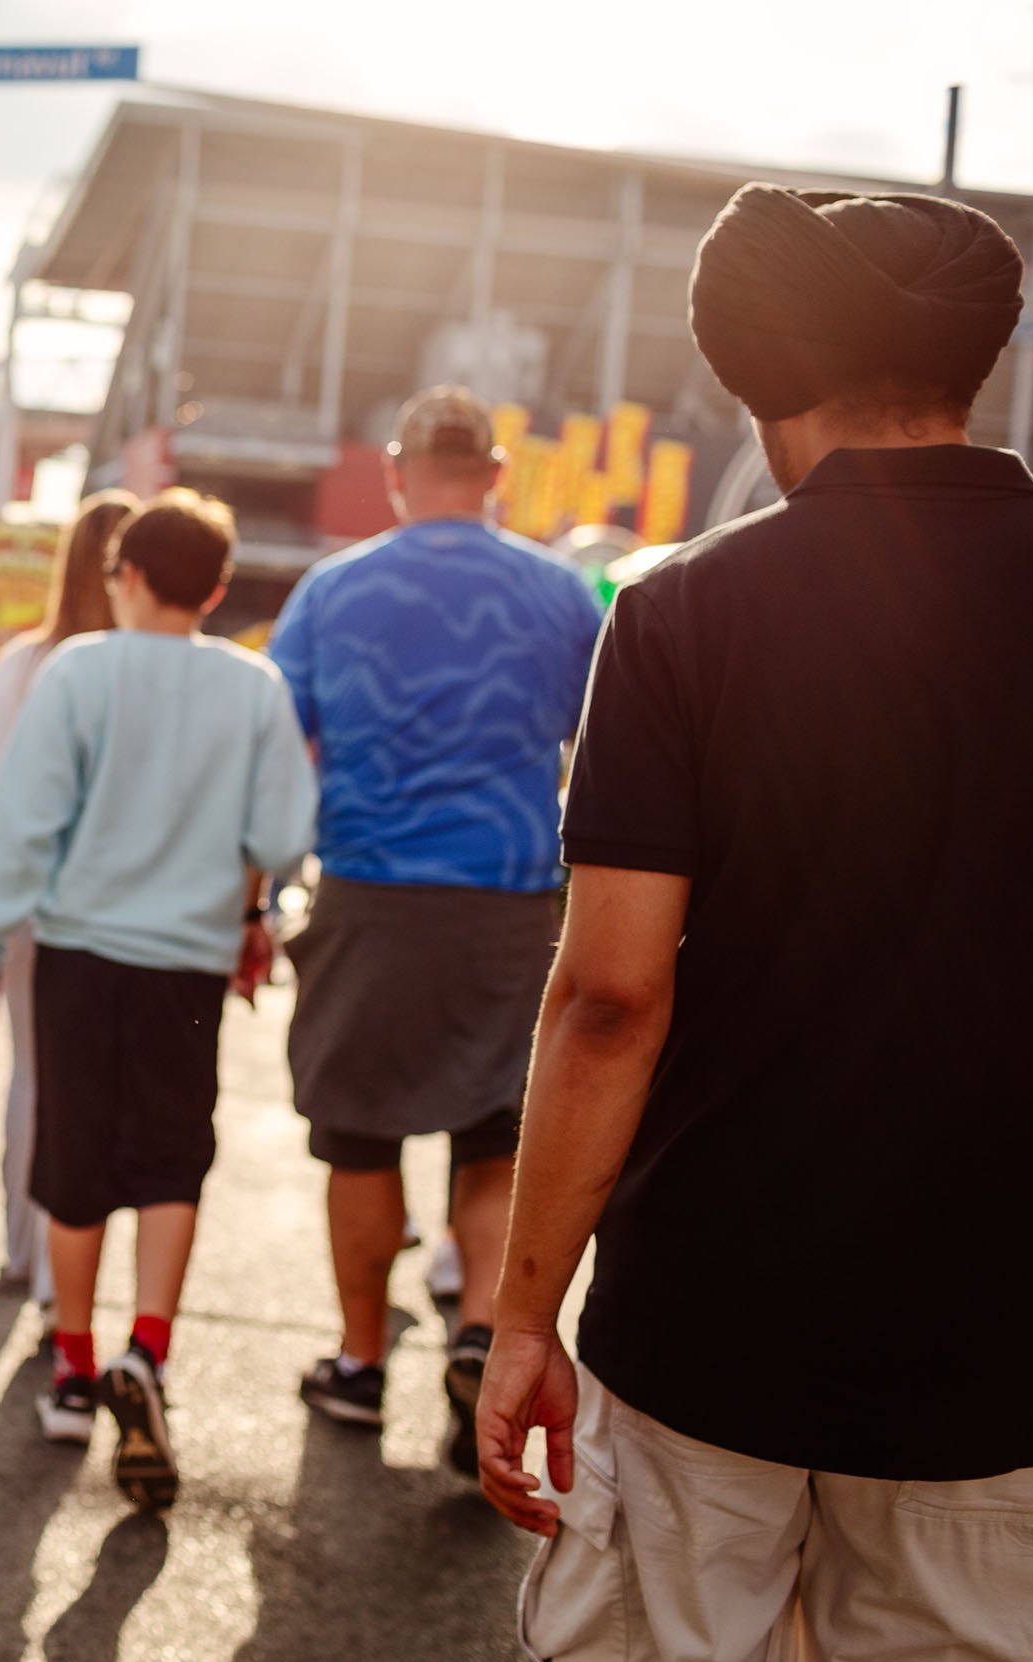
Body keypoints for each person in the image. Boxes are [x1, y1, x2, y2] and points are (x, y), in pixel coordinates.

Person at [479, 184, 1033, 1662]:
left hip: (708, 1315)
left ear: (764, 379)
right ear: (970, 363)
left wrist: (523, 1317)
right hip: (1002, 1325)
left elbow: (612, 997)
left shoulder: (686, 611)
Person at [0, 490, 316, 1512]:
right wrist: (253, 904)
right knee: (170, 1154)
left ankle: (72, 1367)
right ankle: (146, 1350)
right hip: (190, 962)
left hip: (76, 953)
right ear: (213, 587)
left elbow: (23, 821)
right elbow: (284, 832)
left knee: (70, 1155)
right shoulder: (254, 686)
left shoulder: (79, 670)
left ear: (123, 573)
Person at [266, 385, 600, 1475]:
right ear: (496, 474)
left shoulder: (330, 591)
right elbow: (596, 750)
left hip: (365, 888)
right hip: (508, 899)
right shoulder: (560, 597)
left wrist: (255, 897)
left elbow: (281, 750)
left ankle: (360, 1365)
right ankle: (474, 1335)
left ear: (399, 473)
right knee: (494, 1135)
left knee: (356, 1135)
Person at [0, 489, 133, 1317]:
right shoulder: (145, 665)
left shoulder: (22, 664)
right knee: (101, 1090)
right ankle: (69, 1280)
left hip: (32, 898)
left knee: (32, 1079)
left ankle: (23, 1253)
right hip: (123, 905)